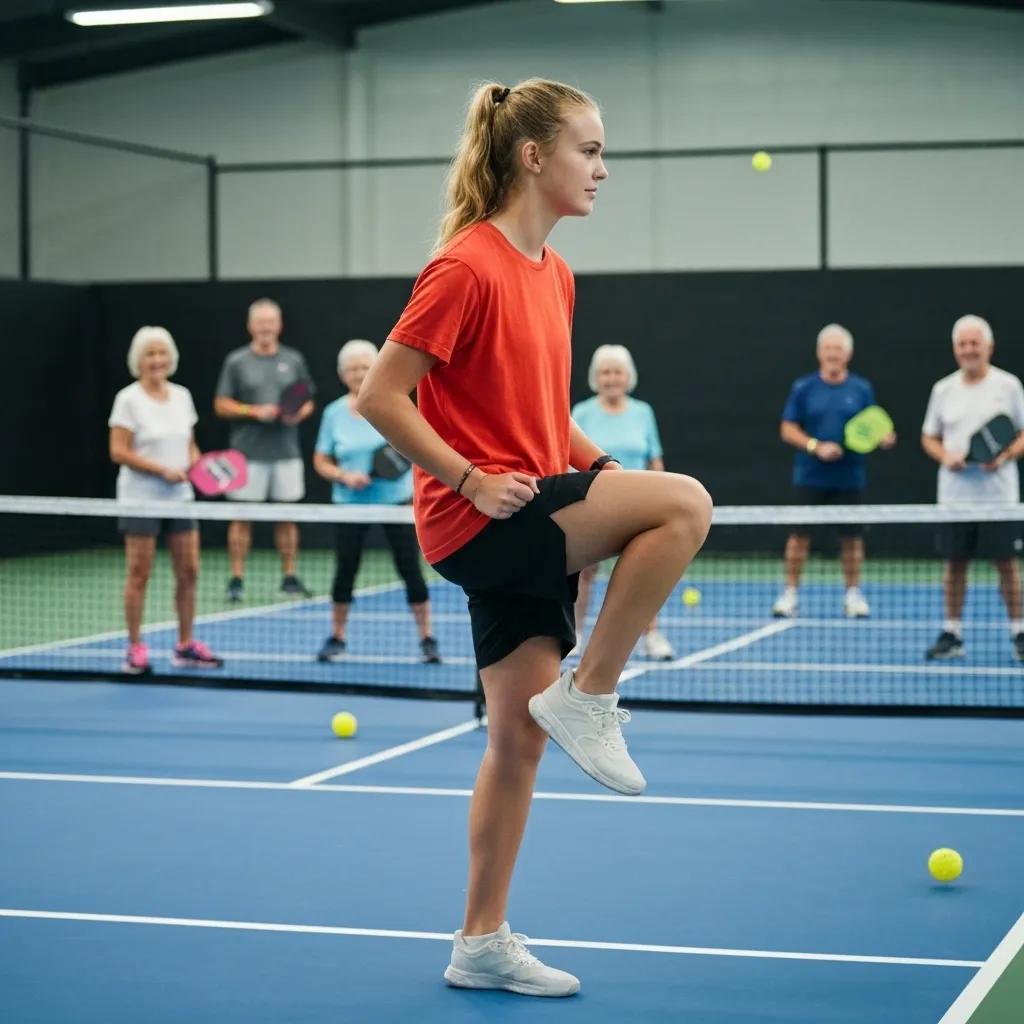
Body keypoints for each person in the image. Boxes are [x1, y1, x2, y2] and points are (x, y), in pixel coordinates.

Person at [357, 79, 712, 998]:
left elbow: (540, 414)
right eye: (589, 150)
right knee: (684, 507)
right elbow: (380, 397)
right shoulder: (465, 266)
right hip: (480, 515)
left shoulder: (553, 274)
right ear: (532, 157)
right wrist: (468, 477)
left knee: (516, 741)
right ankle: (592, 695)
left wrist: (594, 470)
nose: (602, 169)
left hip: (533, 497)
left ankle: (479, 942)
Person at [312, 339, 441, 664]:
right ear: (343, 374)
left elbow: (414, 446)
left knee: (410, 569)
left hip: (395, 503)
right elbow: (321, 460)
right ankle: (337, 636)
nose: (358, 373)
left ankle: (427, 637)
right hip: (349, 505)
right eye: (352, 368)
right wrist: (344, 476)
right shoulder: (333, 414)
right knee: (345, 570)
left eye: (365, 367)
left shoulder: (391, 405)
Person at [108, 326, 224, 674]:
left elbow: (188, 444)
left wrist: (197, 464)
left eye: (161, 353)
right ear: (138, 361)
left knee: (189, 571)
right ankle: (134, 648)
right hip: (141, 497)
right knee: (139, 574)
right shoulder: (128, 399)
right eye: (150, 354)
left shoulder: (182, 396)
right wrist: (161, 470)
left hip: (181, 496)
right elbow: (118, 451)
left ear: (170, 358)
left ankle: (185, 645)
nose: (157, 360)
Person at [773, 323, 896, 619]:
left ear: (848, 353)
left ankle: (853, 595)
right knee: (799, 536)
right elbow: (787, 428)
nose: (833, 354)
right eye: (828, 348)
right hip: (810, 475)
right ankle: (790, 594)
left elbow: (875, 426)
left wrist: (884, 438)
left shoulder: (862, 389)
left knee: (852, 538)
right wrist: (816, 446)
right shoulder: (803, 388)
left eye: (838, 348)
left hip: (849, 476)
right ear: (819, 353)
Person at [921, 314, 1024, 661]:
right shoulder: (942, 389)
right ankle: (952, 632)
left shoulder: (1008, 386)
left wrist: (1005, 454)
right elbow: (928, 437)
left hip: (999, 497)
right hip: (955, 497)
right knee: (954, 566)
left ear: (988, 347)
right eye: (962, 344)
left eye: (974, 343)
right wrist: (945, 456)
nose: (969, 350)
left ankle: (1019, 632)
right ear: (955, 350)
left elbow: (1023, 432)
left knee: (1007, 564)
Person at [571, 344, 675, 660]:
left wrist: (662, 496)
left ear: (627, 377)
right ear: (596, 377)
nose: (611, 378)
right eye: (605, 372)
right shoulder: (582, 413)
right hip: (594, 505)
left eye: (617, 372)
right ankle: (574, 635)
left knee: (645, 573)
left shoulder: (643, 413)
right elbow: (569, 459)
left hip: (638, 506)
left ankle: (652, 635)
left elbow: (654, 459)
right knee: (583, 572)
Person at [214, 298, 315, 602]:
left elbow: (306, 398)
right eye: (260, 322)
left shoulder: (293, 360)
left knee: (286, 517)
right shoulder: (236, 361)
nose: (266, 327)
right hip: (246, 455)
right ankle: (236, 579)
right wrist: (253, 411)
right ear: (250, 326)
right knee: (241, 517)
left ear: (279, 325)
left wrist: (299, 413)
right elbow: (221, 404)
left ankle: (289, 576)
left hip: (286, 453)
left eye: (271, 321)